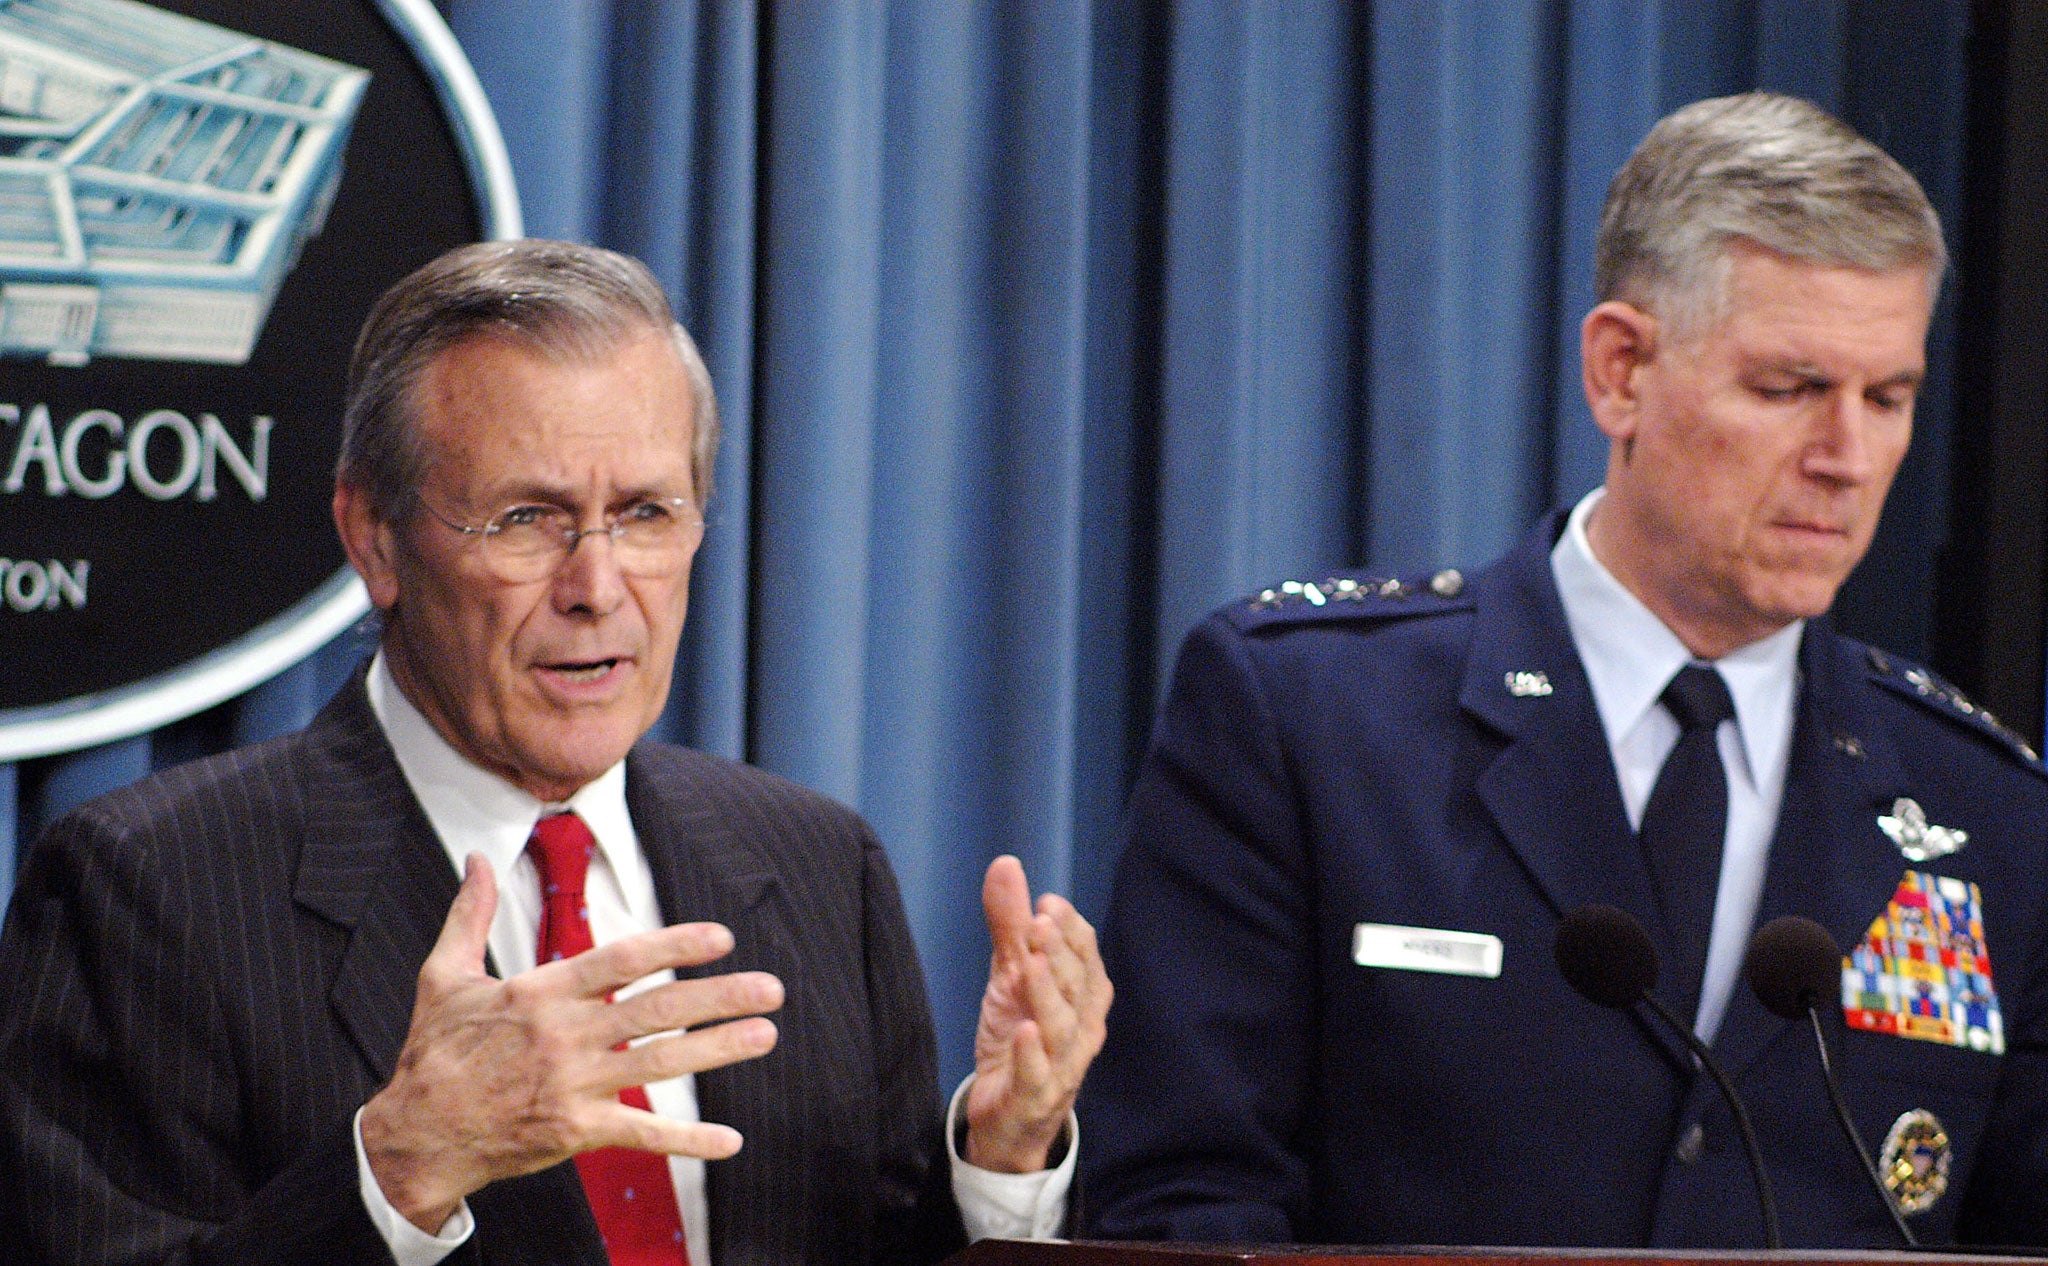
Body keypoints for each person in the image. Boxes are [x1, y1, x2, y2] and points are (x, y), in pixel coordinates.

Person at [0, 240, 1111, 1266]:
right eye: (526, 520)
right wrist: (397, 1174)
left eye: (643, 513)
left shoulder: (817, 862)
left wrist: (1002, 1157)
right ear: (374, 541)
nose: (595, 588)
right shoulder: (148, 887)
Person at [1081, 92, 2048, 1249]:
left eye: (1885, 399)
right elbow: (1177, 1198)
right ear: (1620, 370)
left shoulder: (1976, 805)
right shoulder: (1308, 717)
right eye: (1787, 389)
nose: (1845, 458)